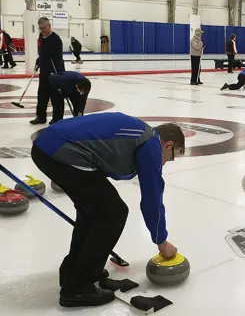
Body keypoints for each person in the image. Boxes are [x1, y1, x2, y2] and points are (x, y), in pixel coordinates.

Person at [31, 113, 185, 307]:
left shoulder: (138, 135)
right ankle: (77, 289)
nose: (164, 163)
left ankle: (77, 274)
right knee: (113, 213)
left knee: (95, 213)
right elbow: (152, 198)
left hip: (49, 146)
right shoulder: (150, 143)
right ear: (168, 145)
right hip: (60, 151)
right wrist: (161, 241)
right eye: (170, 158)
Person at [30, 17, 65, 125]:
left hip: (55, 72)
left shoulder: (56, 40)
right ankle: (41, 117)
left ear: (49, 26)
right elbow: (42, 53)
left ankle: (57, 119)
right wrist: (38, 61)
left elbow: (57, 59)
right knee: (42, 96)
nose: (42, 31)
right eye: (40, 29)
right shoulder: (41, 37)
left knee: (56, 97)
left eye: (44, 28)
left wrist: (54, 73)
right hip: (44, 73)